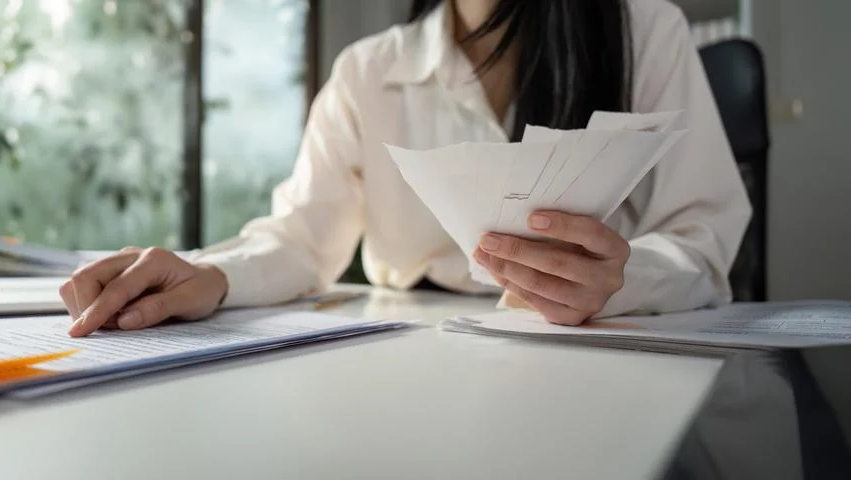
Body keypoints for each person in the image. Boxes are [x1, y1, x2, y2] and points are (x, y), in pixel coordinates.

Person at [62, 0, 751, 337]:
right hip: (423, 357)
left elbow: (703, 239)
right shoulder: (368, 72)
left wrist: (619, 279)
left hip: (605, 358)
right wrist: (212, 274)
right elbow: (302, 238)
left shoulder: (643, 29)